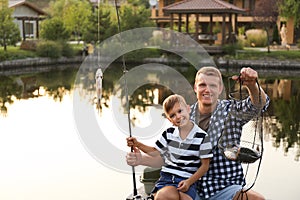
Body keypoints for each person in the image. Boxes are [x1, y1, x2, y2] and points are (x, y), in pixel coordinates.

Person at [126, 67, 270, 200]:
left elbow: (258, 105)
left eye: (213, 85)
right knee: (163, 196)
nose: (207, 90)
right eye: (202, 85)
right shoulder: (183, 115)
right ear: (195, 88)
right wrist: (141, 159)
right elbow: (169, 157)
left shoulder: (232, 112)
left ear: (220, 88)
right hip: (188, 186)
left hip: (225, 187)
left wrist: (252, 85)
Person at [127, 94, 213, 200]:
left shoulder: (202, 137)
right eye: (172, 115)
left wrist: (189, 182)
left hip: (187, 180)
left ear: (188, 109)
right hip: (167, 178)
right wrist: (137, 144)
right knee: (165, 195)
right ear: (169, 119)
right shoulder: (169, 134)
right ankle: (156, 196)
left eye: (180, 111)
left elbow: (205, 166)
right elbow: (155, 152)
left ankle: (153, 197)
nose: (177, 116)